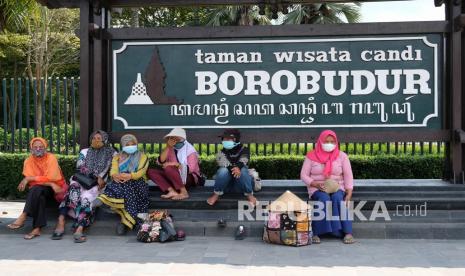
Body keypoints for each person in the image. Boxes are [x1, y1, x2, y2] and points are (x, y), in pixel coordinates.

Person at [52, 130, 116, 243]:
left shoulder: (111, 153)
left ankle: (80, 228)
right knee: (73, 190)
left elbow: (116, 166)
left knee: (87, 200)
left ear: (105, 140)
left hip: (97, 186)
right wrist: (96, 176)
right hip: (81, 180)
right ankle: (61, 221)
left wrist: (101, 180)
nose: (95, 141)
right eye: (93, 138)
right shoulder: (85, 151)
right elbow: (80, 167)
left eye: (99, 138)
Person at [300, 130, 355, 244]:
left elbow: (348, 175)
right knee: (323, 199)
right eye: (326, 141)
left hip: (337, 186)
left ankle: (347, 232)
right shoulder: (311, 156)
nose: (329, 144)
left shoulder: (342, 156)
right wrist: (315, 184)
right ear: (320, 141)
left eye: (332, 141)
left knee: (338, 199)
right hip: (317, 187)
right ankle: (316, 232)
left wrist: (349, 193)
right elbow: (303, 175)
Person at [7, 137, 67, 240]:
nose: (38, 149)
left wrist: (30, 178)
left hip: (56, 191)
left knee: (36, 189)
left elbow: (53, 177)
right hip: (41, 191)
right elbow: (34, 182)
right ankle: (36, 229)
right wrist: (49, 183)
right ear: (31, 148)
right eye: (35, 147)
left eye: (41, 146)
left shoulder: (51, 158)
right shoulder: (28, 161)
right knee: (38, 192)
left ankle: (24, 215)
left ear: (45, 147)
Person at [93, 134, 149, 235]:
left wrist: (129, 176)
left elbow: (141, 172)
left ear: (136, 144)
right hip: (122, 184)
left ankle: (105, 199)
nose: (131, 146)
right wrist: (115, 175)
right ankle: (126, 222)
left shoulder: (143, 156)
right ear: (123, 145)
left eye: (133, 144)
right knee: (123, 185)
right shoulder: (117, 157)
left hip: (139, 183)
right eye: (128, 145)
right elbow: (113, 170)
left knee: (126, 183)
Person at [147, 128, 201, 200]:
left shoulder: (190, 150)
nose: (175, 141)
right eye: (172, 139)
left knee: (168, 168)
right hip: (172, 177)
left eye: (177, 139)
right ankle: (171, 191)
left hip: (188, 178)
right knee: (150, 171)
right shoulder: (170, 148)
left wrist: (175, 164)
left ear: (183, 140)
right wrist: (168, 147)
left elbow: (191, 169)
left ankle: (184, 192)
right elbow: (160, 161)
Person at [207, 129, 257, 206]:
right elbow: (224, 163)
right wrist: (235, 168)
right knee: (223, 171)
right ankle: (216, 194)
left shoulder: (244, 149)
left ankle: (249, 195)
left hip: (241, 186)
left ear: (235, 139)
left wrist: (238, 167)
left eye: (227, 139)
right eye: (224, 139)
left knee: (243, 170)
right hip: (226, 187)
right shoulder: (220, 153)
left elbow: (244, 160)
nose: (224, 141)